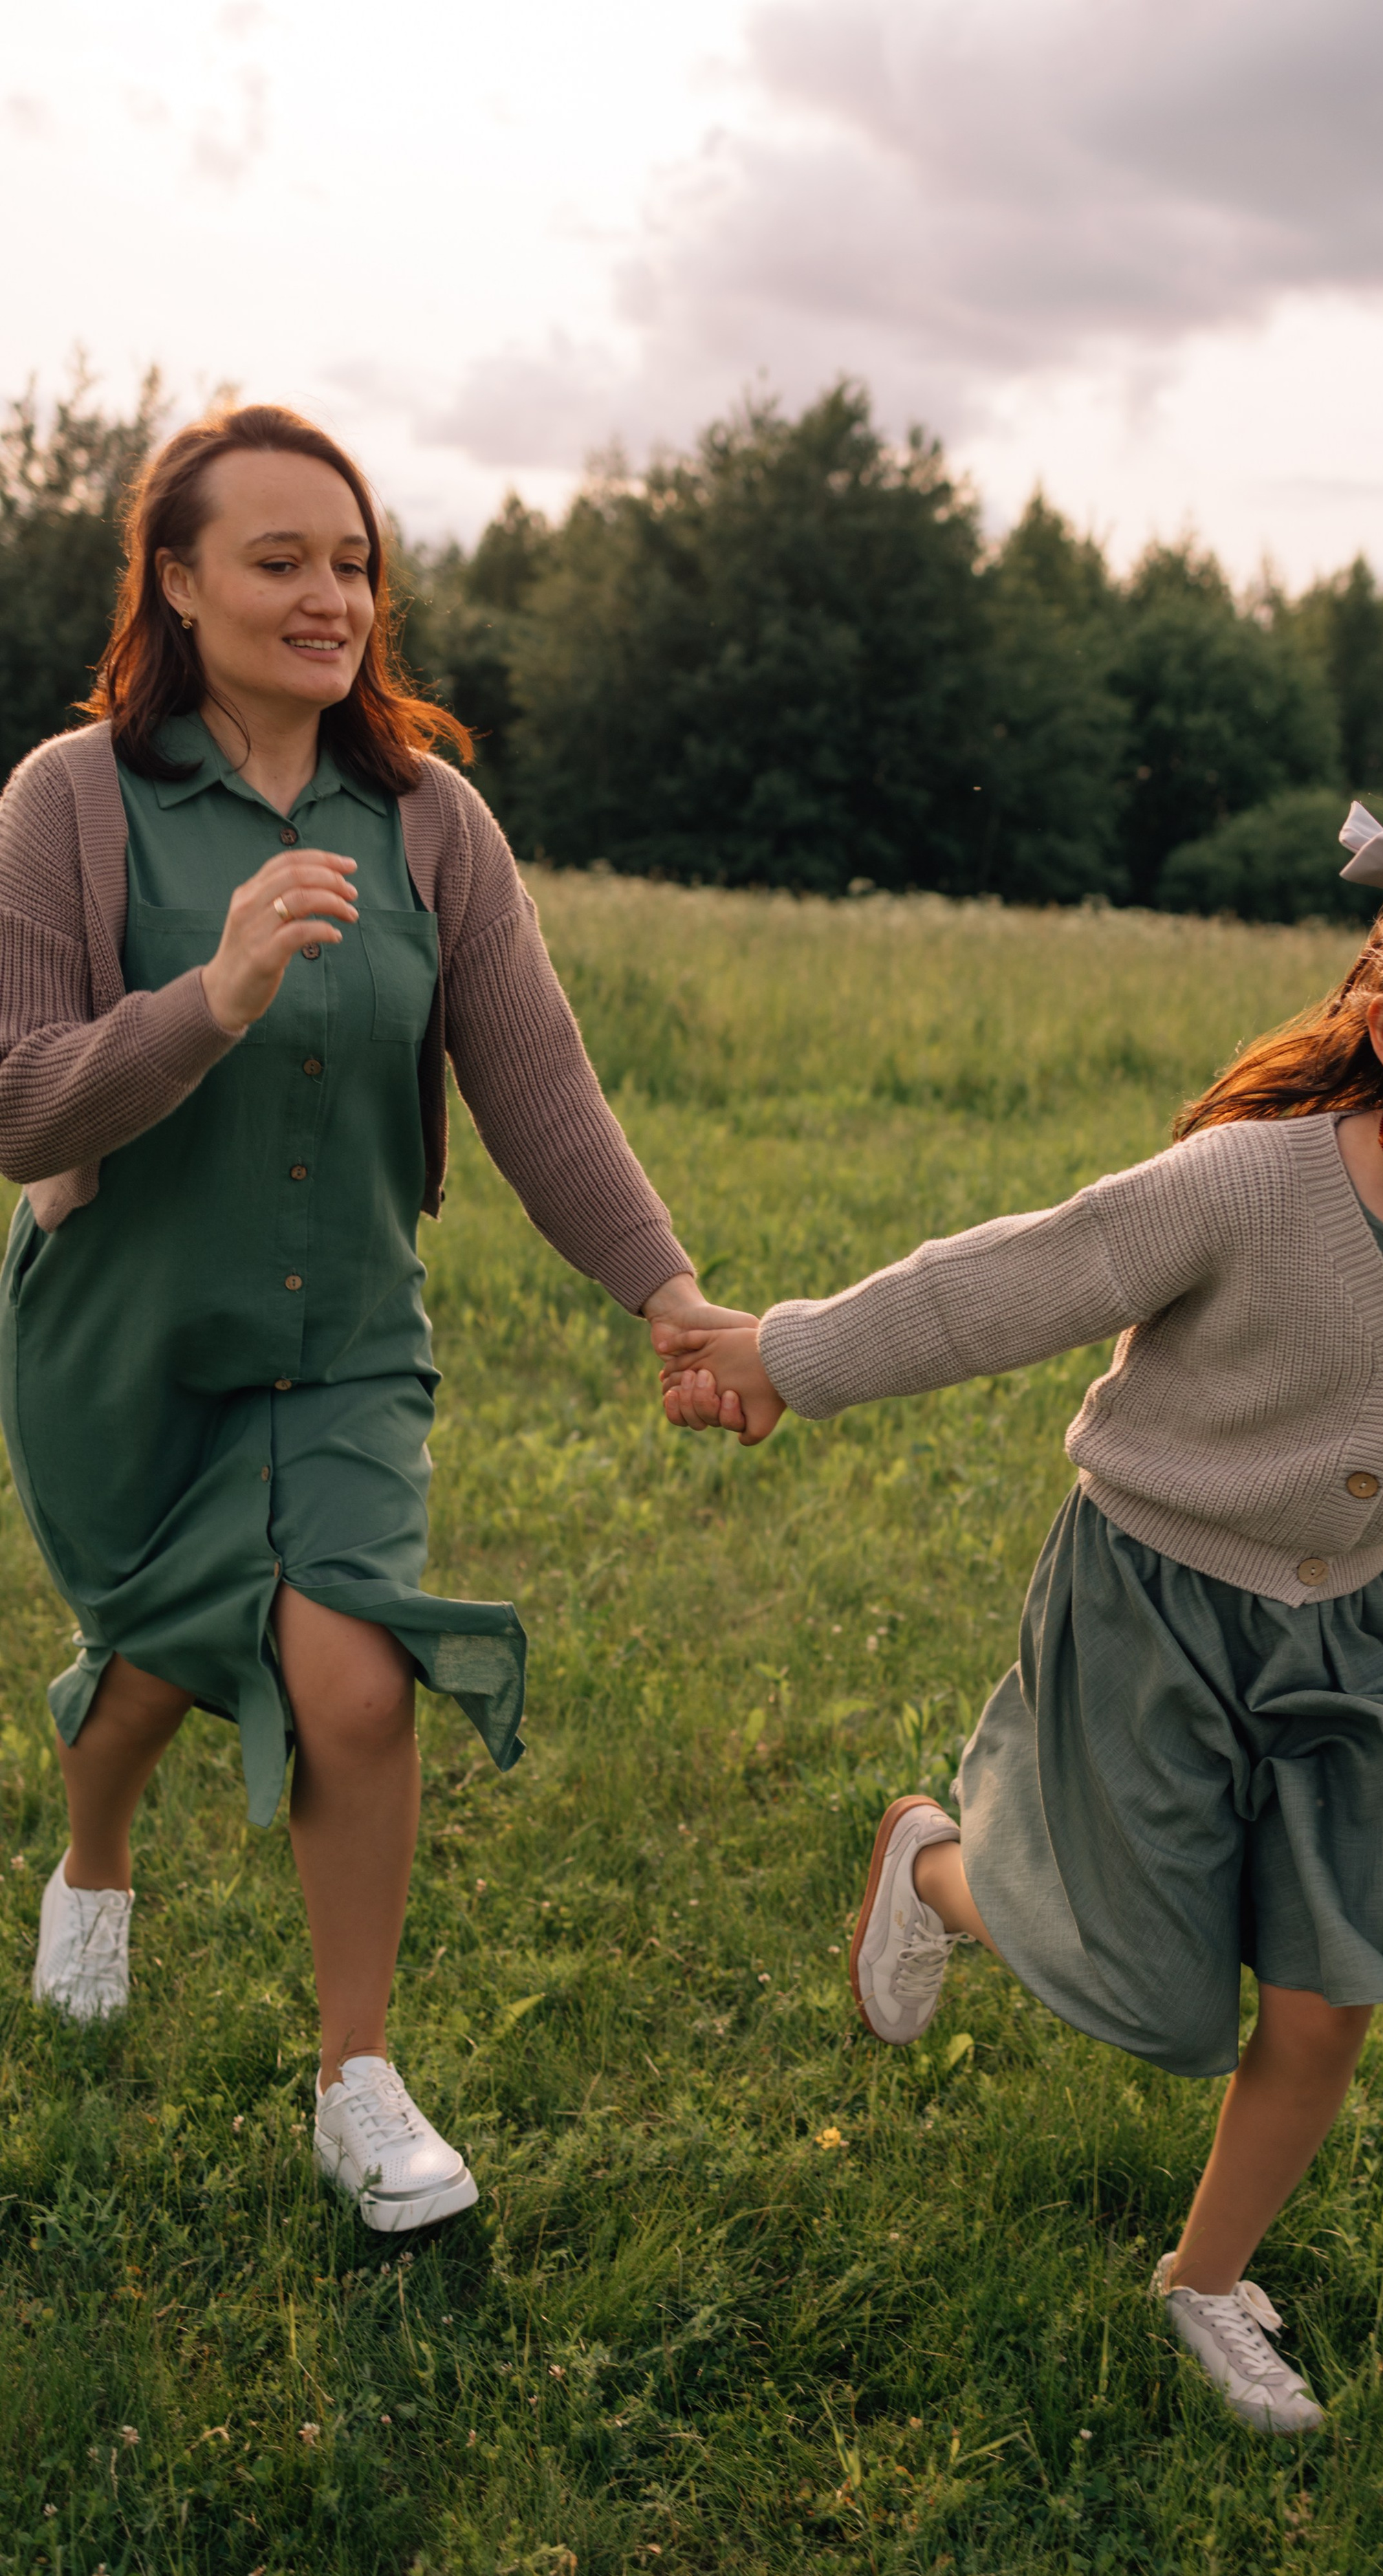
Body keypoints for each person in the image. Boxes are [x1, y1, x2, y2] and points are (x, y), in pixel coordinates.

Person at [655, 804, 1383, 2434]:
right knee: (1125, 1956)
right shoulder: (1250, 1186)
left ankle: (1203, 2282)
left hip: (1348, 1644)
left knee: (1328, 1990)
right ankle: (936, 1868)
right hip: (1150, 1605)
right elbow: (1013, 1281)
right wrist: (785, 1354)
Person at [0, 404, 743, 2233]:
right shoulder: (70, 802)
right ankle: (94, 1857)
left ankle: (358, 2077)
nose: (329, 596)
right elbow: (21, 1106)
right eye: (280, 561)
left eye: (353, 563)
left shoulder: (430, 818)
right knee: (156, 1666)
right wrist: (212, 995)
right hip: (128, 1345)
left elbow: (537, 1088)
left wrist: (672, 1295)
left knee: (348, 1666)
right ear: (176, 582)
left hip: (345, 1342)